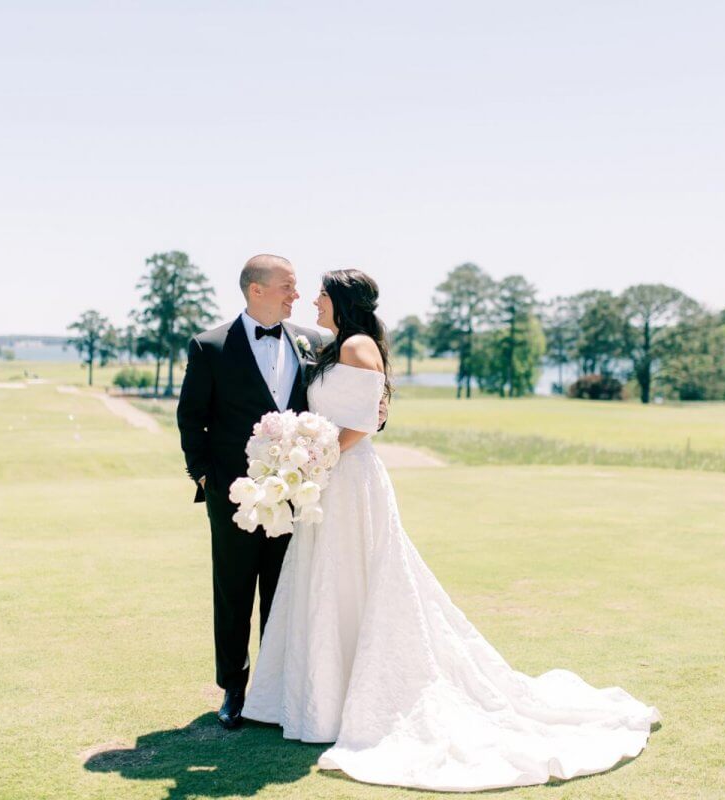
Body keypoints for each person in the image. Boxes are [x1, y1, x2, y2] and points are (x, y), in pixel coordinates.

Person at [242, 268, 661, 792]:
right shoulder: (334, 345)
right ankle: (320, 697)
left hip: (348, 481)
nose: (314, 300)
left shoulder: (357, 347)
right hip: (330, 480)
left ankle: (346, 700)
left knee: (354, 578)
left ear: (341, 300)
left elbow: (366, 422)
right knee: (327, 582)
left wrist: (312, 458)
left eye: (323, 293)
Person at [175, 254, 323, 730]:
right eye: (288, 286)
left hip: (295, 495)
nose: (295, 295)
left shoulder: (312, 342)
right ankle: (233, 689)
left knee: (285, 592)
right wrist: (204, 477)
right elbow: (190, 416)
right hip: (234, 496)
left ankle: (278, 687)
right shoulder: (210, 346)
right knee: (234, 591)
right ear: (256, 289)